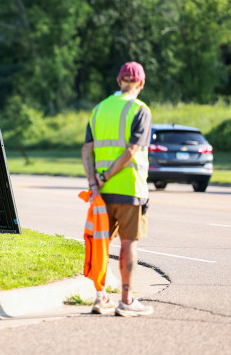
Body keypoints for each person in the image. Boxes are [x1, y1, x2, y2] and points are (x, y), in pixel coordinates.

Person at [81, 61, 154, 317]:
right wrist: (106, 175)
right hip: (129, 189)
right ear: (141, 84)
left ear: (118, 80)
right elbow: (132, 150)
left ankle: (101, 298)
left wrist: (94, 182)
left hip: (101, 193)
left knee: (100, 243)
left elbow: (86, 149)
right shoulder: (140, 110)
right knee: (128, 243)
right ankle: (126, 301)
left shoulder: (99, 109)